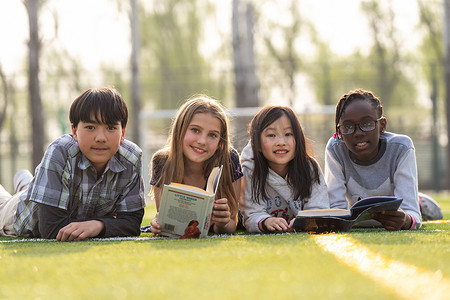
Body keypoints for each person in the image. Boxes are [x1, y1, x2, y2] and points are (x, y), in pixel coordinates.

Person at [0, 87, 145, 241]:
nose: (101, 138)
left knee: (31, 187)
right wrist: (109, 225)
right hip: (17, 213)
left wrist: (98, 225)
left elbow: (132, 223)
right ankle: (22, 184)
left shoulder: (131, 158)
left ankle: (26, 181)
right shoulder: (61, 151)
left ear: (122, 132)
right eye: (90, 127)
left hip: (49, 195)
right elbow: (51, 228)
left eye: (110, 128)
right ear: (74, 131)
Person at [325, 88, 422, 230]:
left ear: (382, 125)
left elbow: (411, 213)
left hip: (404, 208)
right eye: (348, 126)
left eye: (367, 124)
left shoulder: (401, 148)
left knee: (431, 209)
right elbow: (336, 210)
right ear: (339, 132)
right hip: (357, 219)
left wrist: (406, 220)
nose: (358, 133)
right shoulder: (336, 149)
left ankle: (423, 201)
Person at [149, 95, 243, 235]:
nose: (202, 141)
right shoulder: (162, 162)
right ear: (179, 129)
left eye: (212, 135)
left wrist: (222, 223)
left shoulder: (229, 159)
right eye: (195, 130)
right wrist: (157, 223)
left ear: (220, 142)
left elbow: (231, 224)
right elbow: (163, 220)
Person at [240, 105, 329, 233]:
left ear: (298, 139)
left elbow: (320, 208)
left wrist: (305, 220)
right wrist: (266, 221)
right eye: (271, 135)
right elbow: (251, 215)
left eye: (288, 134)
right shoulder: (250, 171)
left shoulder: (309, 168)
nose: (281, 142)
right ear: (257, 143)